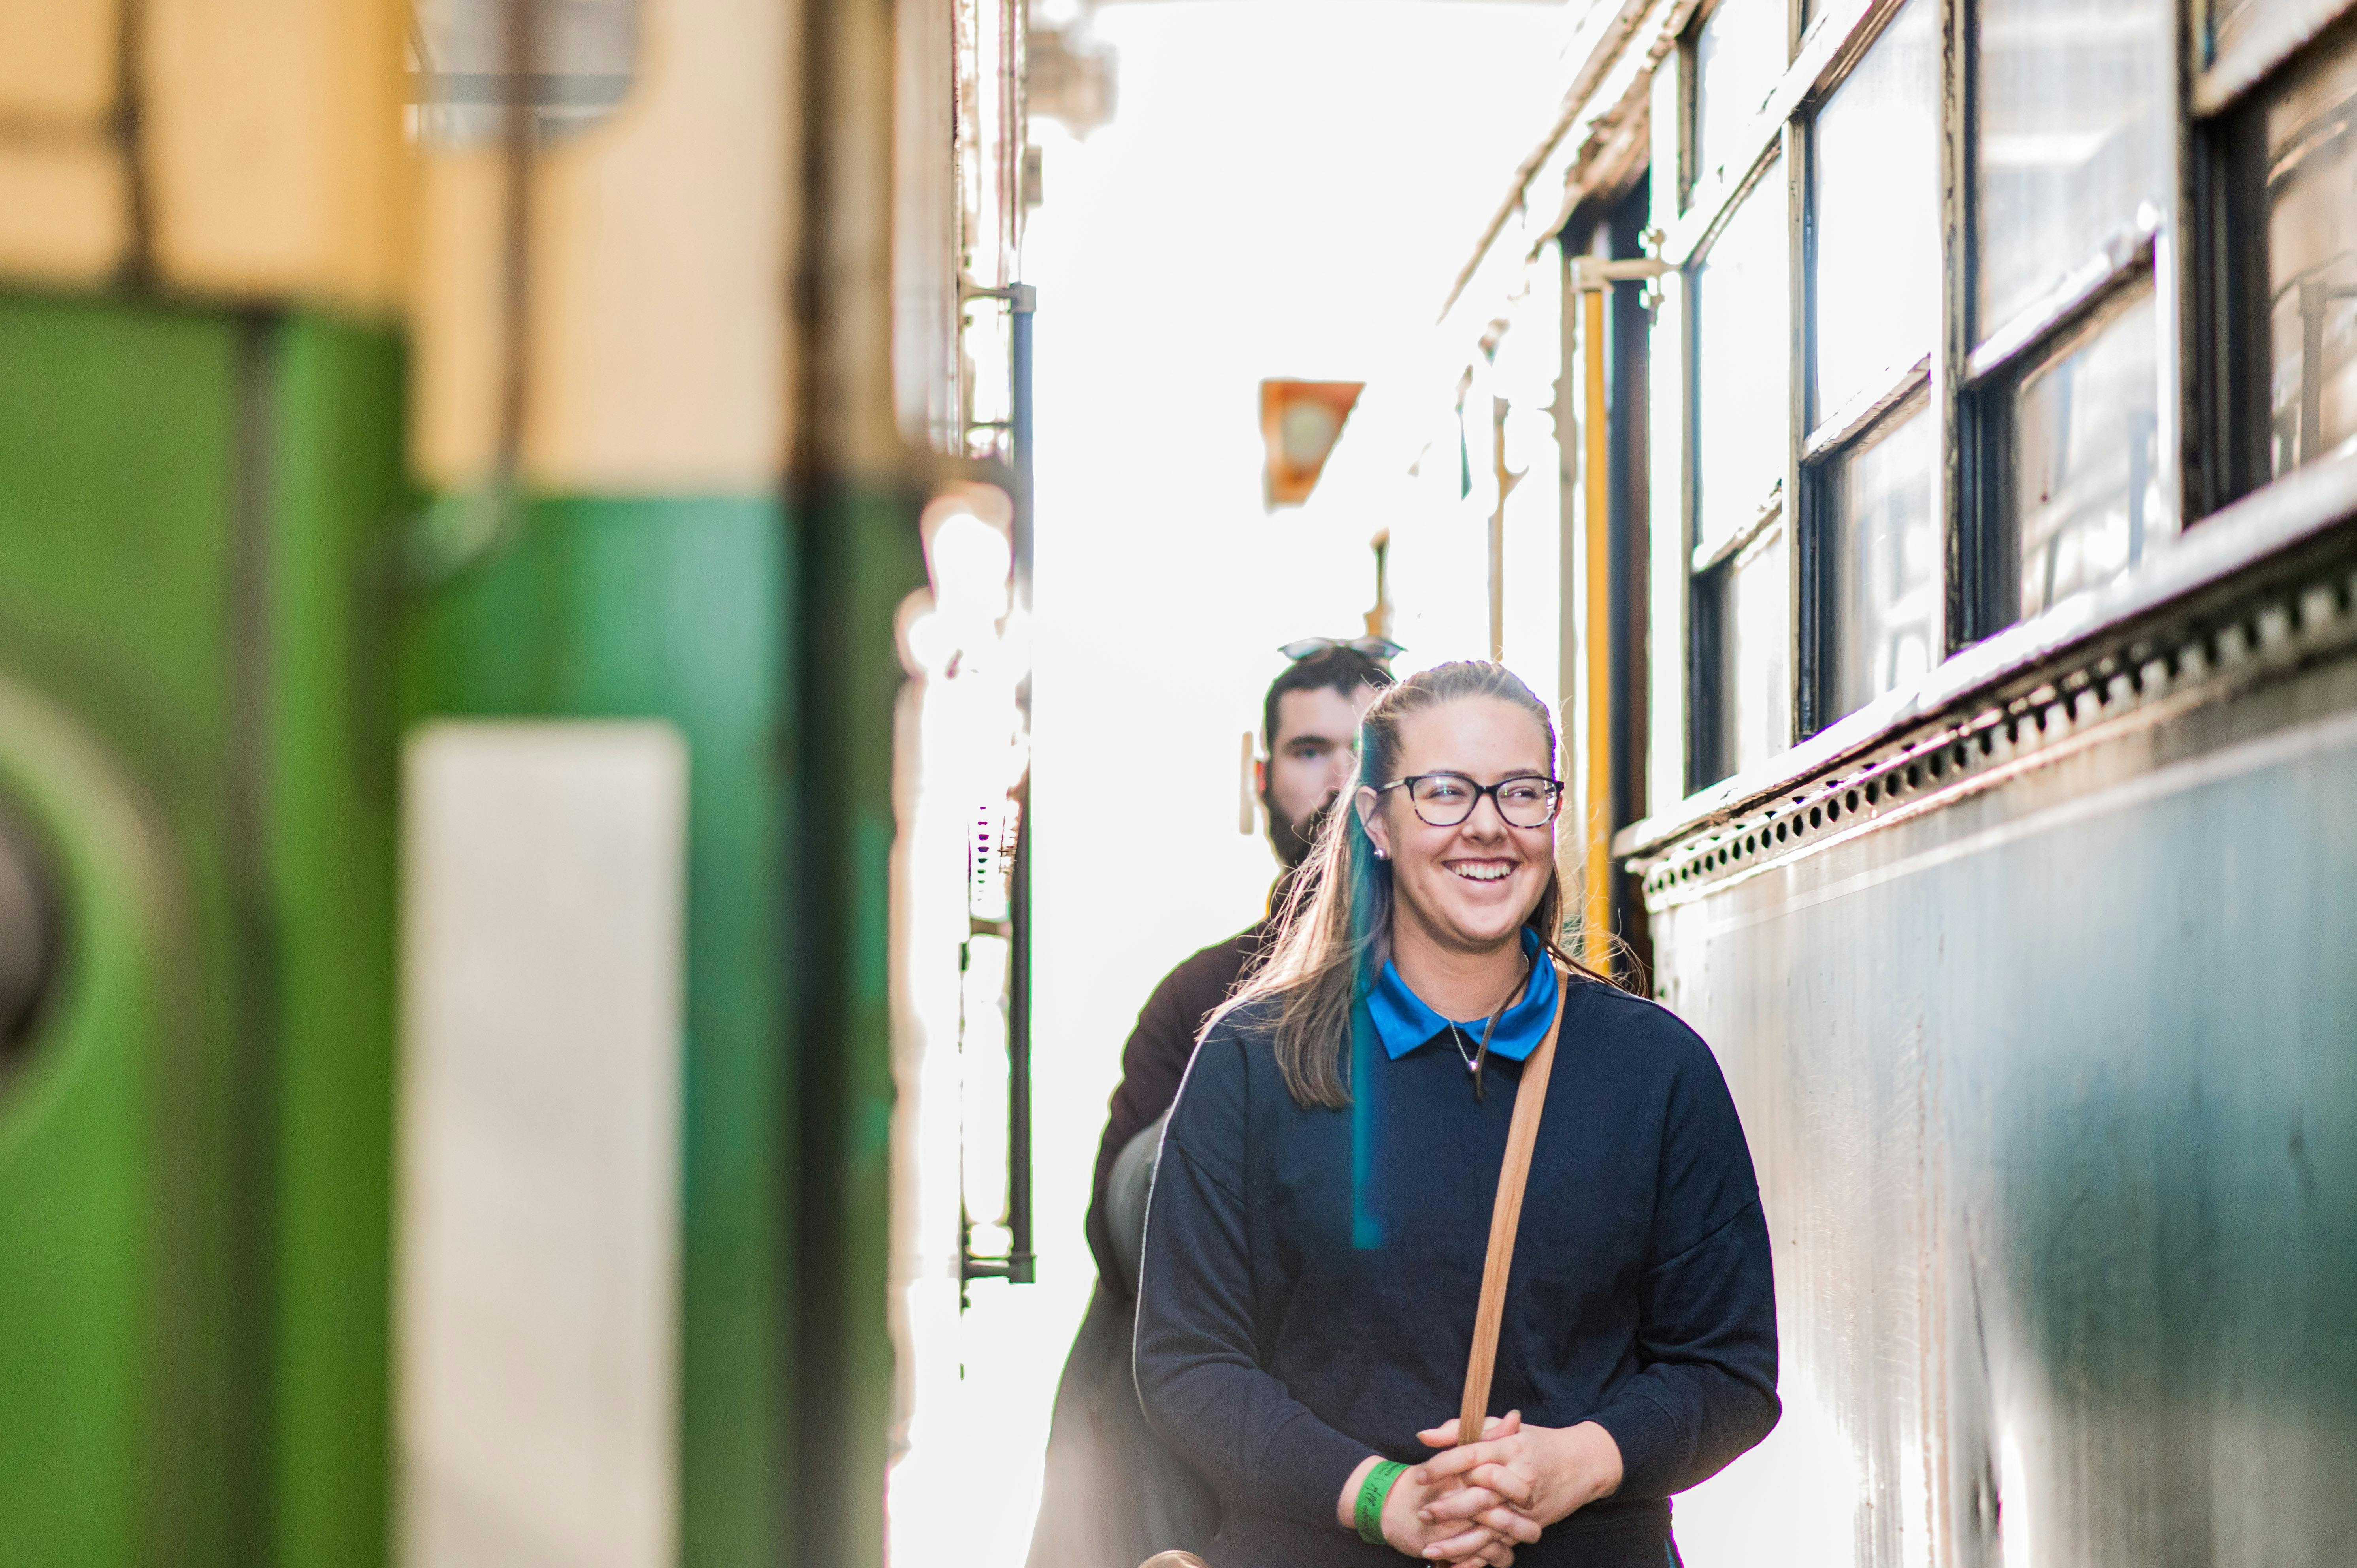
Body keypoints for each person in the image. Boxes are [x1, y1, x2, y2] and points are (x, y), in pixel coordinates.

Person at [1134, 660, 1779, 1567]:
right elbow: (1187, 1362)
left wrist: (1580, 1461)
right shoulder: (1251, 1059)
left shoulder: (1658, 1067)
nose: (1488, 825)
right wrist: (1379, 1497)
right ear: (1376, 822)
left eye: (1521, 792)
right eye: (1443, 792)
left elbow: (1730, 1371)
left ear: (1553, 813)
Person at [1025, 638, 1397, 1568]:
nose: (1342, 778)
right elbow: (1123, 1233)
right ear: (1262, 780)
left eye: (1370, 753)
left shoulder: (1480, 1000)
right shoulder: (1198, 999)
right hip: (1215, 1417)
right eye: (1314, 751)